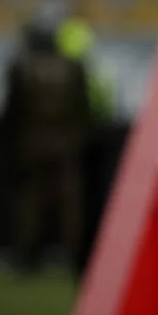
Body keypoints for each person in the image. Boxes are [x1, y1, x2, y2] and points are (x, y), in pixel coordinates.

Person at [0, 15, 92, 273]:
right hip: (66, 143)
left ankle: (27, 259)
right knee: (70, 203)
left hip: (31, 142)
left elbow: (11, 109)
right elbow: (83, 108)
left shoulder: (22, 67)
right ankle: (74, 257)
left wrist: (10, 140)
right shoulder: (73, 67)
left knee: (30, 202)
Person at [55, 15, 116, 281]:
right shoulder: (93, 71)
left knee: (72, 203)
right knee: (89, 203)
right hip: (92, 140)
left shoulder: (62, 70)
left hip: (70, 142)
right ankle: (89, 255)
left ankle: (75, 256)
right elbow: (104, 103)